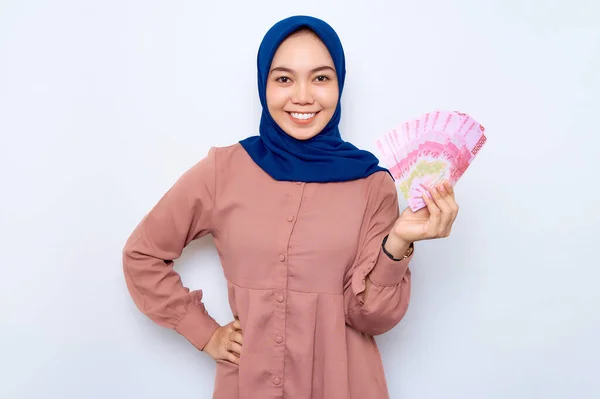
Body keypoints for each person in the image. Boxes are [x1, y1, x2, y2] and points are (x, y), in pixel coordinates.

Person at [122, 15, 459, 399]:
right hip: (249, 385)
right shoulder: (224, 171)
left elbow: (372, 317)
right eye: (284, 78)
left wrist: (397, 241)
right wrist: (204, 334)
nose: (303, 96)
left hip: (344, 386)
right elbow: (142, 255)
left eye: (320, 78)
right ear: (264, 84)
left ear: (339, 85)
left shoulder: (371, 183)